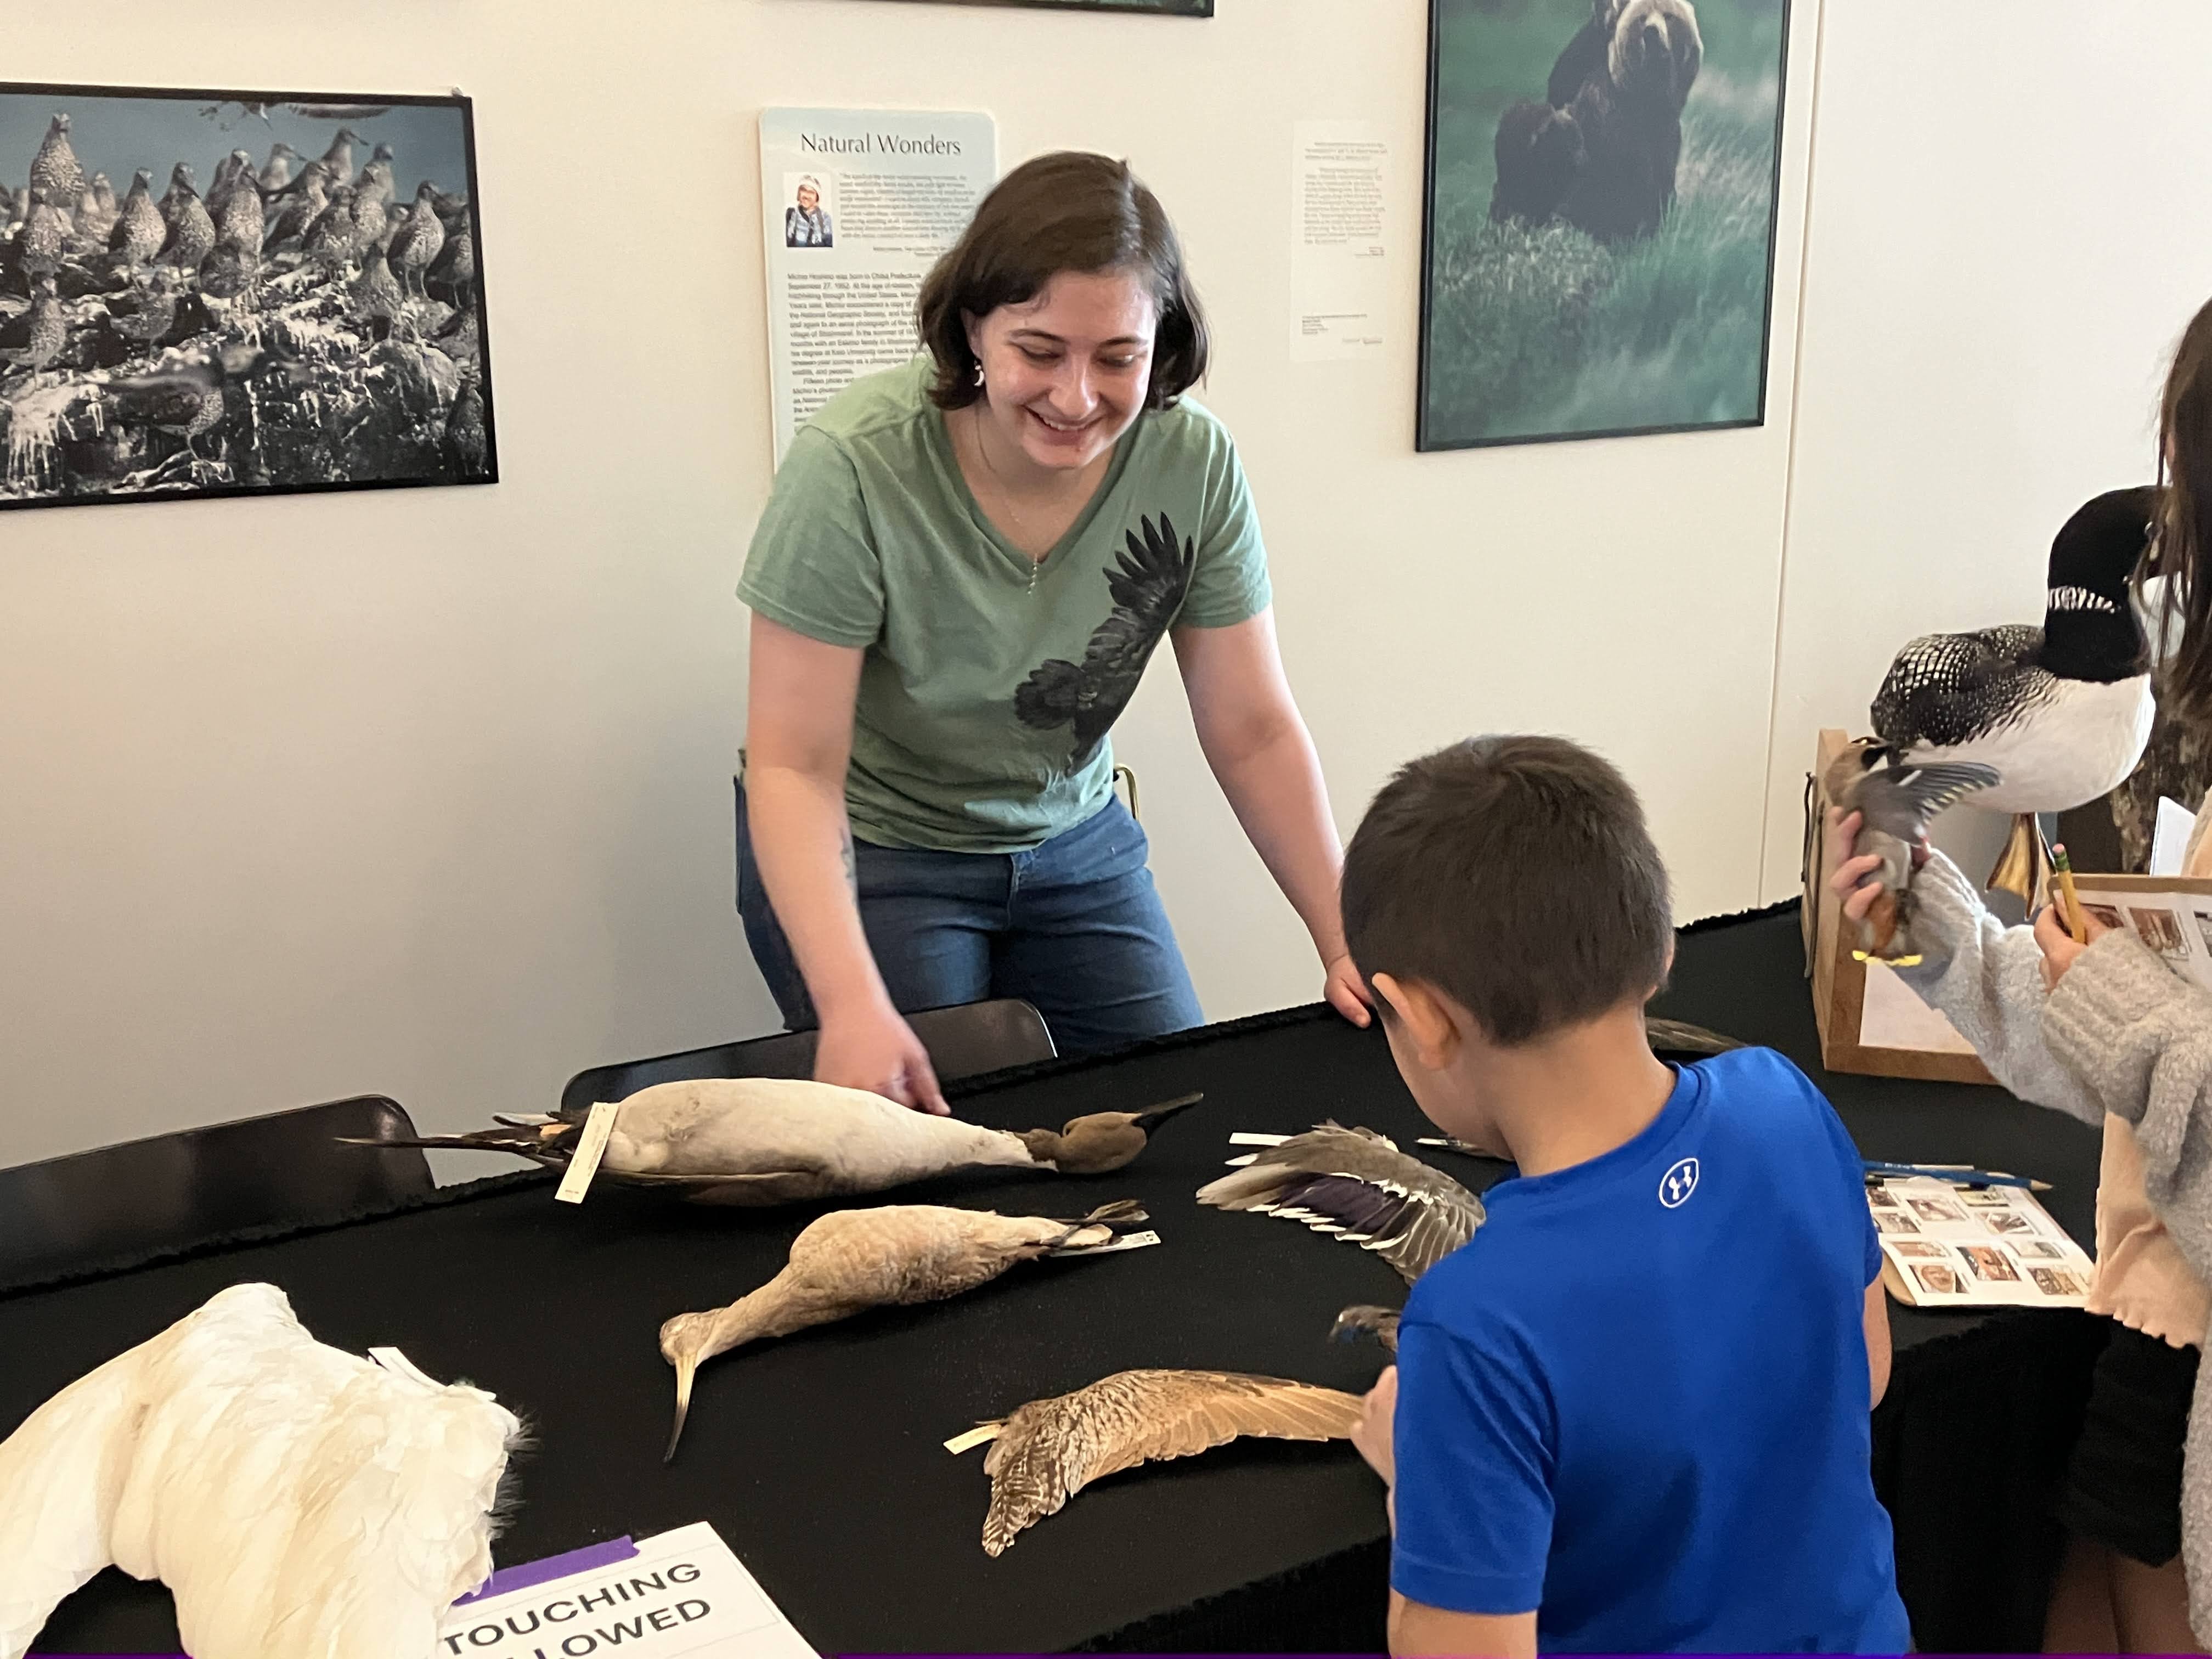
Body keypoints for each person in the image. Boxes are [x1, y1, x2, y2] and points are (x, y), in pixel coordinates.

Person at [738, 151, 1365, 1113]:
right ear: (973, 330)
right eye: (1039, 352)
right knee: (947, 1143)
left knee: (1173, 1112)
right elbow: (793, 767)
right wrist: (851, 1003)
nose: (1076, 398)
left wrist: (1346, 934)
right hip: (883, 846)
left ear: (1162, 344)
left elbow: (1252, 726)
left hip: (1074, 837)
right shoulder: (853, 466)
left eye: (1117, 357)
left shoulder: (1192, 461)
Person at [1342, 735, 1907, 1656]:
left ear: (1420, 1017)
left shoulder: (1475, 1322)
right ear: (1660, 946)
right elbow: (1867, 1371)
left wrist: (1419, 1480)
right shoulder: (1784, 1100)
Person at [1830, 297, 2212, 1654]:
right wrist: (1934, 923)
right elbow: (2137, 1067)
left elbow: (2162, 1059)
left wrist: (2124, 1009)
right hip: (2163, 1316)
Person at [785, 177, 831, 247]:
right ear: (798, 194)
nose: (806, 195)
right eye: (804, 190)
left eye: (811, 192)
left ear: (817, 197)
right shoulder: (792, 215)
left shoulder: (825, 218)